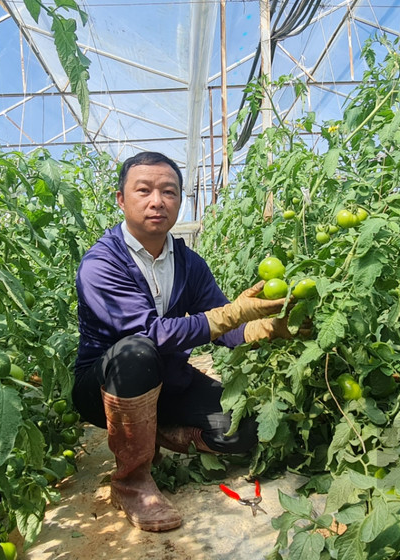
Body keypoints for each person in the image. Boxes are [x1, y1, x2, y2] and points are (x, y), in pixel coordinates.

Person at [72, 151, 297, 532]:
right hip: (106, 388)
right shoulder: (102, 263)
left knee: (243, 430)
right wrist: (232, 313)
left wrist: (268, 328)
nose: (157, 200)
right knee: (136, 353)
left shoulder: (189, 263)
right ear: (121, 199)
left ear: (180, 200)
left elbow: (225, 324)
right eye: (143, 190)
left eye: (169, 191)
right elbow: (148, 334)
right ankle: (132, 481)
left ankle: (155, 430)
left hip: (169, 383)